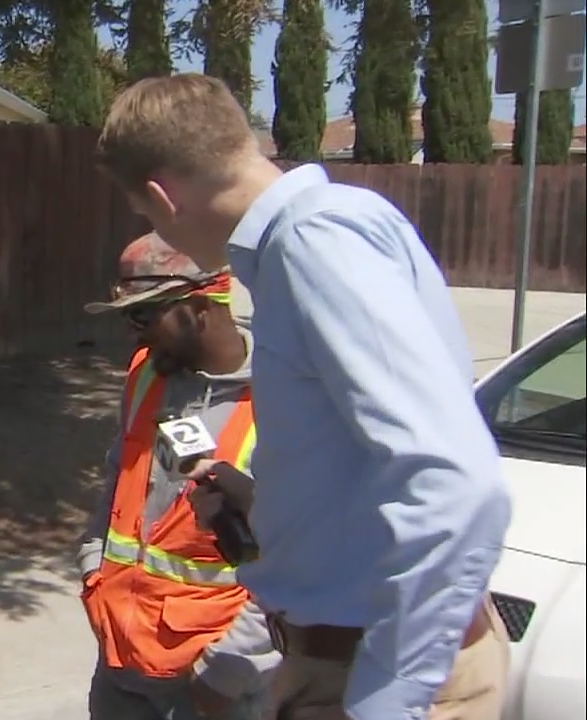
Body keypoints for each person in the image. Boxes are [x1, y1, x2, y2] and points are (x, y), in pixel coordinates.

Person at [93, 73, 512, 720]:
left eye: (147, 216)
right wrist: (266, 505)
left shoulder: (315, 241)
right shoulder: (325, 234)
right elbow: (370, 476)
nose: (161, 232)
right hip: (335, 660)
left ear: (161, 195)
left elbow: (457, 482)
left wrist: (386, 703)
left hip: (374, 672)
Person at [78, 232, 278, 720]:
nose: (134, 333)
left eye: (144, 315)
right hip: (121, 665)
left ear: (201, 307)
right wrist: (92, 569)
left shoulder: (284, 404)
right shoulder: (148, 372)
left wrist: (222, 675)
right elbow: (118, 473)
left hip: (210, 687)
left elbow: (299, 566)